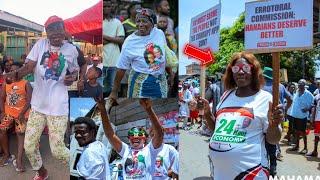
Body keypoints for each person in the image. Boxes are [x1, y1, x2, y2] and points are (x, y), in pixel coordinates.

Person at [3, 15, 79, 180]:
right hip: (38, 106)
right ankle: (42, 171)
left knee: (58, 151)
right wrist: (14, 74)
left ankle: (81, 166)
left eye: (58, 28)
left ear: (64, 29)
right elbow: (28, 67)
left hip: (58, 107)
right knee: (29, 146)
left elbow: (74, 71)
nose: (55, 33)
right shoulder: (40, 45)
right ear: (46, 32)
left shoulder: (71, 50)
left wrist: (72, 77)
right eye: (51, 29)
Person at [206, 52, 283, 179]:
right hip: (221, 174)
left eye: (246, 68)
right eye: (236, 68)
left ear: (254, 71)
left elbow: (273, 140)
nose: (240, 72)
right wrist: (208, 114)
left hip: (251, 173)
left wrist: (274, 126)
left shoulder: (265, 99)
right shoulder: (226, 96)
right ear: (231, 72)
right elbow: (216, 130)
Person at [96, 98, 176, 180]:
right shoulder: (125, 150)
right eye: (132, 135)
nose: (135, 137)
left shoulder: (150, 150)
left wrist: (149, 109)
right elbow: (110, 135)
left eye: (139, 135)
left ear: (145, 138)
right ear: (128, 139)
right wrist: (103, 110)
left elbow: (159, 133)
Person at [109, 8, 173, 99]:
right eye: (138, 21)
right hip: (139, 84)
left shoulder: (159, 33)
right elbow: (121, 68)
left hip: (160, 81)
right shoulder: (130, 42)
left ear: (153, 23)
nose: (140, 24)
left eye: (144, 21)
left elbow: (164, 55)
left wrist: (170, 74)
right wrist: (114, 92)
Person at [0, 62, 32, 172]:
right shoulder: (6, 83)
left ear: (22, 72)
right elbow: (2, 98)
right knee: (1, 130)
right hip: (8, 113)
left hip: (21, 114)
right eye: (12, 70)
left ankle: (19, 160)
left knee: (20, 134)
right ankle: (7, 155)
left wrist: (22, 113)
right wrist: (3, 112)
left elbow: (28, 101)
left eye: (17, 70)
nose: (14, 72)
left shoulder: (26, 83)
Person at [262, 67, 292, 176]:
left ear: (264, 76)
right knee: (274, 142)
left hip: (262, 119)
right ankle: (273, 166)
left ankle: (263, 167)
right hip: (277, 118)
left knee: (263, 143)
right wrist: (284, 108)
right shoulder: (281, 86)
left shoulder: (260, 87)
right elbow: (290, 99)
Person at [103, 0, 125, 97]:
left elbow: (121, 40)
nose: (106, 8)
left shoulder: (117, 22)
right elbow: (100, 41)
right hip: (101, 62)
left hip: (115, 61)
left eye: (108, 6)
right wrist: (114, 38)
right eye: (104, 6)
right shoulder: (98, 22)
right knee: (102, 89)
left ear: (112, 7)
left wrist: (105, 36)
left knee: (114, 89)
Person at [288, 79, 314, 154]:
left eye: (301, 84)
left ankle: (305, 148)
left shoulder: (308, 94)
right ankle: (297, 146)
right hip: (295, 114)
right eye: (299, 84)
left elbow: (313, 103)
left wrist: (308, 108)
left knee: (303, 132)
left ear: (304, 85)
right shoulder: (296, 92)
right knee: (296, 131)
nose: (299, 85)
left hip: (302, 116)